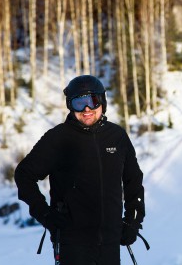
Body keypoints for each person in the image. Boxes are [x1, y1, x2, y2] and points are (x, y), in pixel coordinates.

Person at [14, 75, 145, 265]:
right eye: (79, 103)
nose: (87, 109)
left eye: (93, 101)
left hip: (109, 242)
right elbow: (24, 175)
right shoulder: (58, 138)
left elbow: (133, 181)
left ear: (103, 101)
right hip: (72, 244)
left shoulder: (117, 137)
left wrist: (133, 221)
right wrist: (46, 214)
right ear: (70, 105)